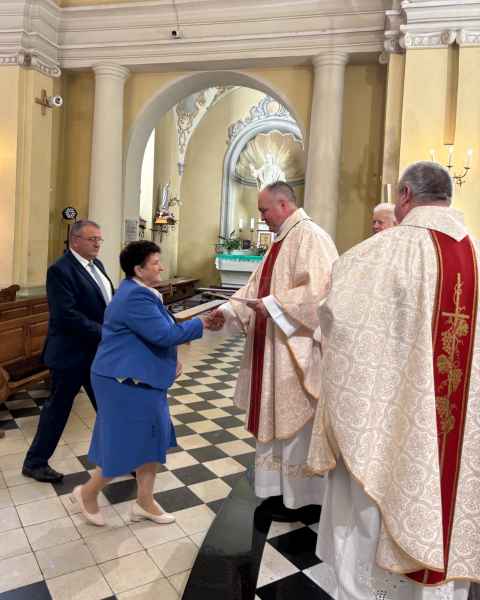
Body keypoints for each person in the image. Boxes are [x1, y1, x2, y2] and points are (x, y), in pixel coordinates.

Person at [307, 161, 477, 599]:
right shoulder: (478, 256)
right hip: (462, 435)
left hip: (391, 430)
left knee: (373, 506)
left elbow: (337, 326)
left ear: (404, 195)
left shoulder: (373, 255)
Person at [206, 181, 338, 512]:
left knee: (295, 421)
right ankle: (279, 490)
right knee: (273, 416)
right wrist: (227, 310)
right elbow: (254, 288)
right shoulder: (280, 241)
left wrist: (275, 305)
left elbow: (323, 292)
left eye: (264, 210)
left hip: (294, 352)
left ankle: (304, 497)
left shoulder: (311, 236)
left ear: (283, 204)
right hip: (272, 350)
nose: (262, 217)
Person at [70, 241, 212, 526]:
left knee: (153, 436)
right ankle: (87, 493)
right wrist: (203, 322)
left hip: (140, 377)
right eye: (155, 263)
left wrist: (171, 359)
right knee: (125, 442)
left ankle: (144, 502)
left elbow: (162, 330)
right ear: (138, 269)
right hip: (121, 381)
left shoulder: (143, 292)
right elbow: (164, 335)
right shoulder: (134, 297)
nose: (162, 267)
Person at [23, 220, 113, 483]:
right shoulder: (60, 270)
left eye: (99, 239)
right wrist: (105, 332)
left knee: (109, 407)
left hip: (96, 353)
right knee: (58, 410)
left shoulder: (98, 266)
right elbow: (66, 316)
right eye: (92, 239)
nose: (97, 244)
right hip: (70, 354)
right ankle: (35, 463)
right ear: (75, 240)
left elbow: (107, 301)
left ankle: (121, 456)